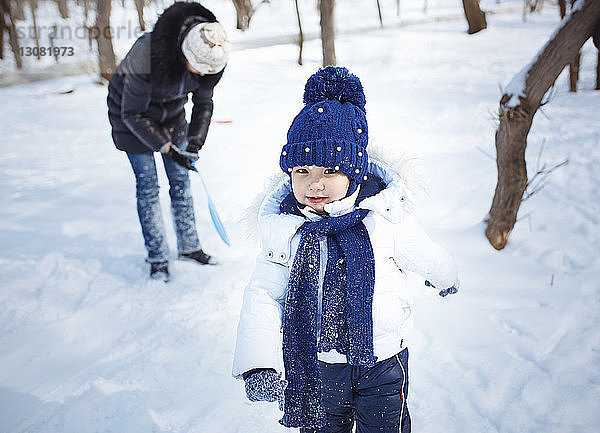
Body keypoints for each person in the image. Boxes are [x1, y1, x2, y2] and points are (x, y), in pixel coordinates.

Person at [232, 67, 459, 433]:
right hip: (316, 365)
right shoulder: (286, 230)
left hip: (383, 360)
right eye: (302, 170)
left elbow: (424, 252)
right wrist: (258, 363)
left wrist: (445, 276)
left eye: (330, 171)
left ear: (353, 172)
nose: (314, 184)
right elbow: (263, 294)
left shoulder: (384, 216)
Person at [107, 2, 231, 281]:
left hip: (172, 116)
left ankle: (189, 247)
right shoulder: (147, 53)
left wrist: (195, 141)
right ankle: (157, 257)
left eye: (206, 71)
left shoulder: (213, 51)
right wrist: (164, 147)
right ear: (183, 53)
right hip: (130, 116)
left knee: (181, 181)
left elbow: (203, 102)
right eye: (197, 68)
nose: (200, 74)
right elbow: (132, 112)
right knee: (148, 186)